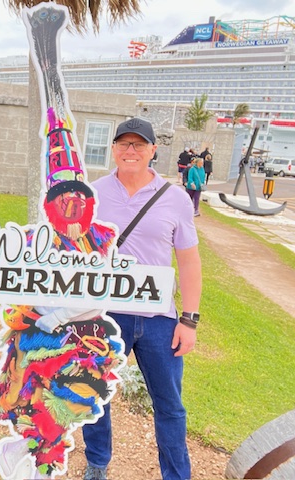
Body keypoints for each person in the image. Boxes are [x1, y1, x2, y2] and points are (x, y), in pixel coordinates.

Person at [82, 118, 202, 480]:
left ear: (153, 151)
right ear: (114, 149)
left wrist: (190, 320)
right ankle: (97, 463)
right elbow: (72, 250)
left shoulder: (175, 199)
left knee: (169, 405)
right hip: (104, 312)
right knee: (94, 395)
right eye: (123, 144)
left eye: (139, 145)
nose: (130, 151)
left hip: (157, 318)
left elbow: (189, 260)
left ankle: (176, 474)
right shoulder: (92, 193)